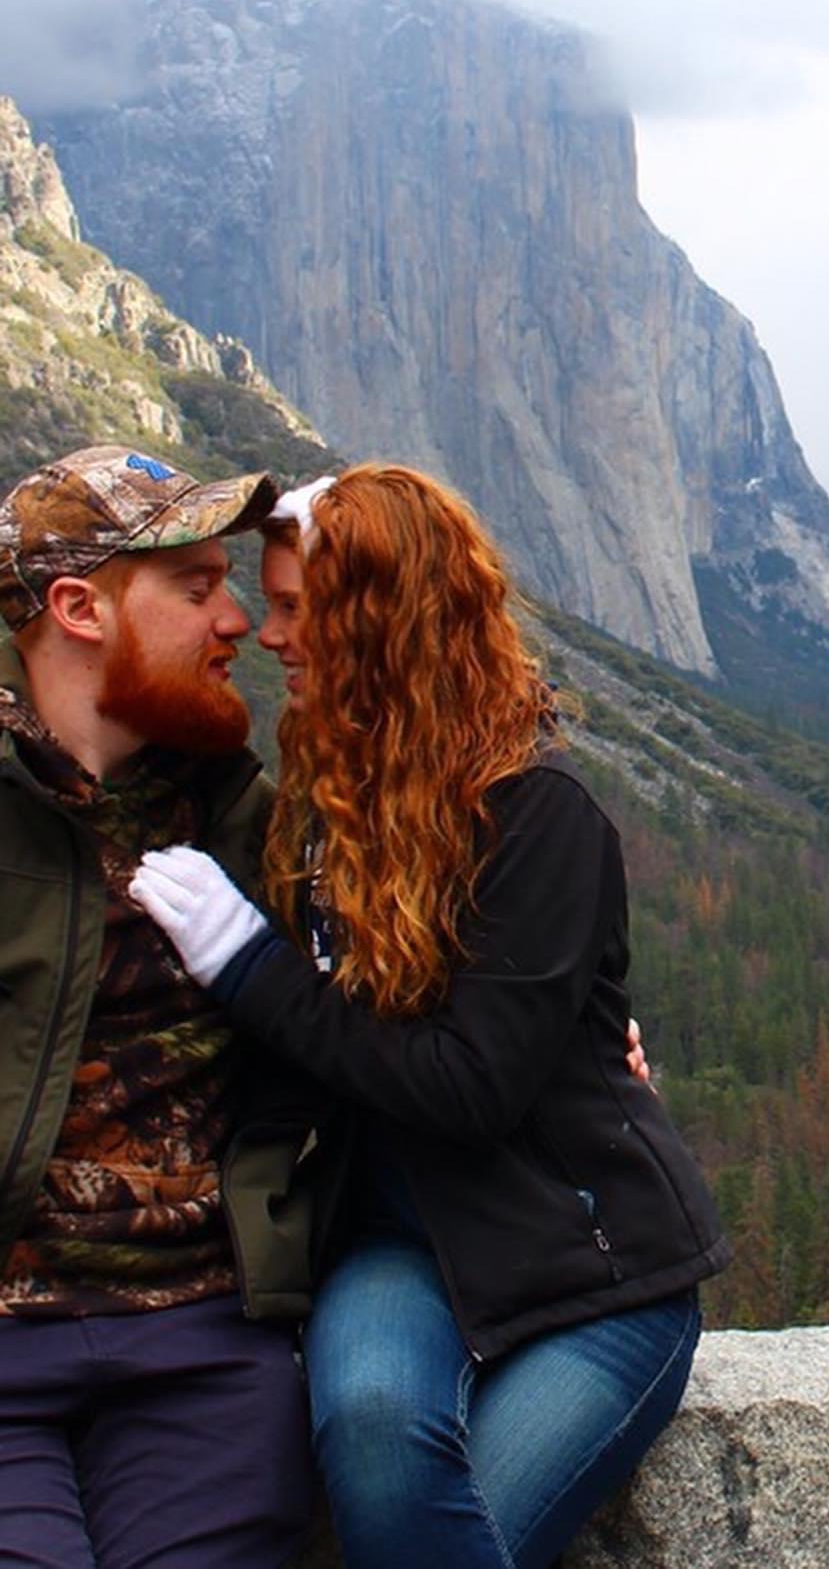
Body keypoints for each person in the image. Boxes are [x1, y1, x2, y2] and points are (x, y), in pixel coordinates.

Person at [131, 464, 730, 1569]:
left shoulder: (539, 821)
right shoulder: (316, 818)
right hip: (400, 1251)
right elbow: (309, 1062)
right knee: (368, 1421)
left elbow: (470, 1089)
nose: (270, 637)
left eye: (299, 609)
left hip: (592, 1273)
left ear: (384, 622)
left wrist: (249, 965)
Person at [0, 444, 319, 1569]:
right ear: (79, 608)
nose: (236, 622)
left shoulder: (244, 815)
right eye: (195, 590)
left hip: (203, 1339)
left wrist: (579, 1039)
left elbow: (423, 1001)